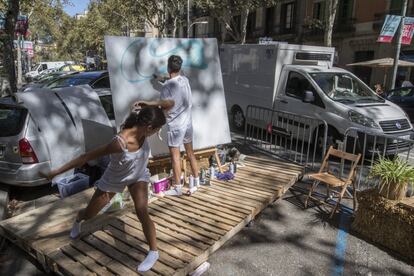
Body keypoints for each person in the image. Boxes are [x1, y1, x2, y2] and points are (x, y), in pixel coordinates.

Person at [40, 106, 167, 272]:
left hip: (138, 175)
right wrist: (55, 173)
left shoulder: (144, 131)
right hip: (114, 180)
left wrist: (143, 103)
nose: (158, 132)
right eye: (157, 129)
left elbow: (159, 109)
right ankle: (79, 218)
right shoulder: (119, 143)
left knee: (142, 210)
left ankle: (153, 251)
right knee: (90, 214)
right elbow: (85, 157)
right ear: (149, 127)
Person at [135, 55, 199, 196]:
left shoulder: (167, 87)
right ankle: (196, 180)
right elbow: (172, 81)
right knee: (190, 153)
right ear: (179, 68)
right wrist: (161, 78)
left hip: (176, 126)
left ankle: (177, 187)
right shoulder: (185, 80)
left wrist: (148, 104)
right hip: (188, 123)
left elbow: (165, 105)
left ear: (168, 67)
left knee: (175, 157)